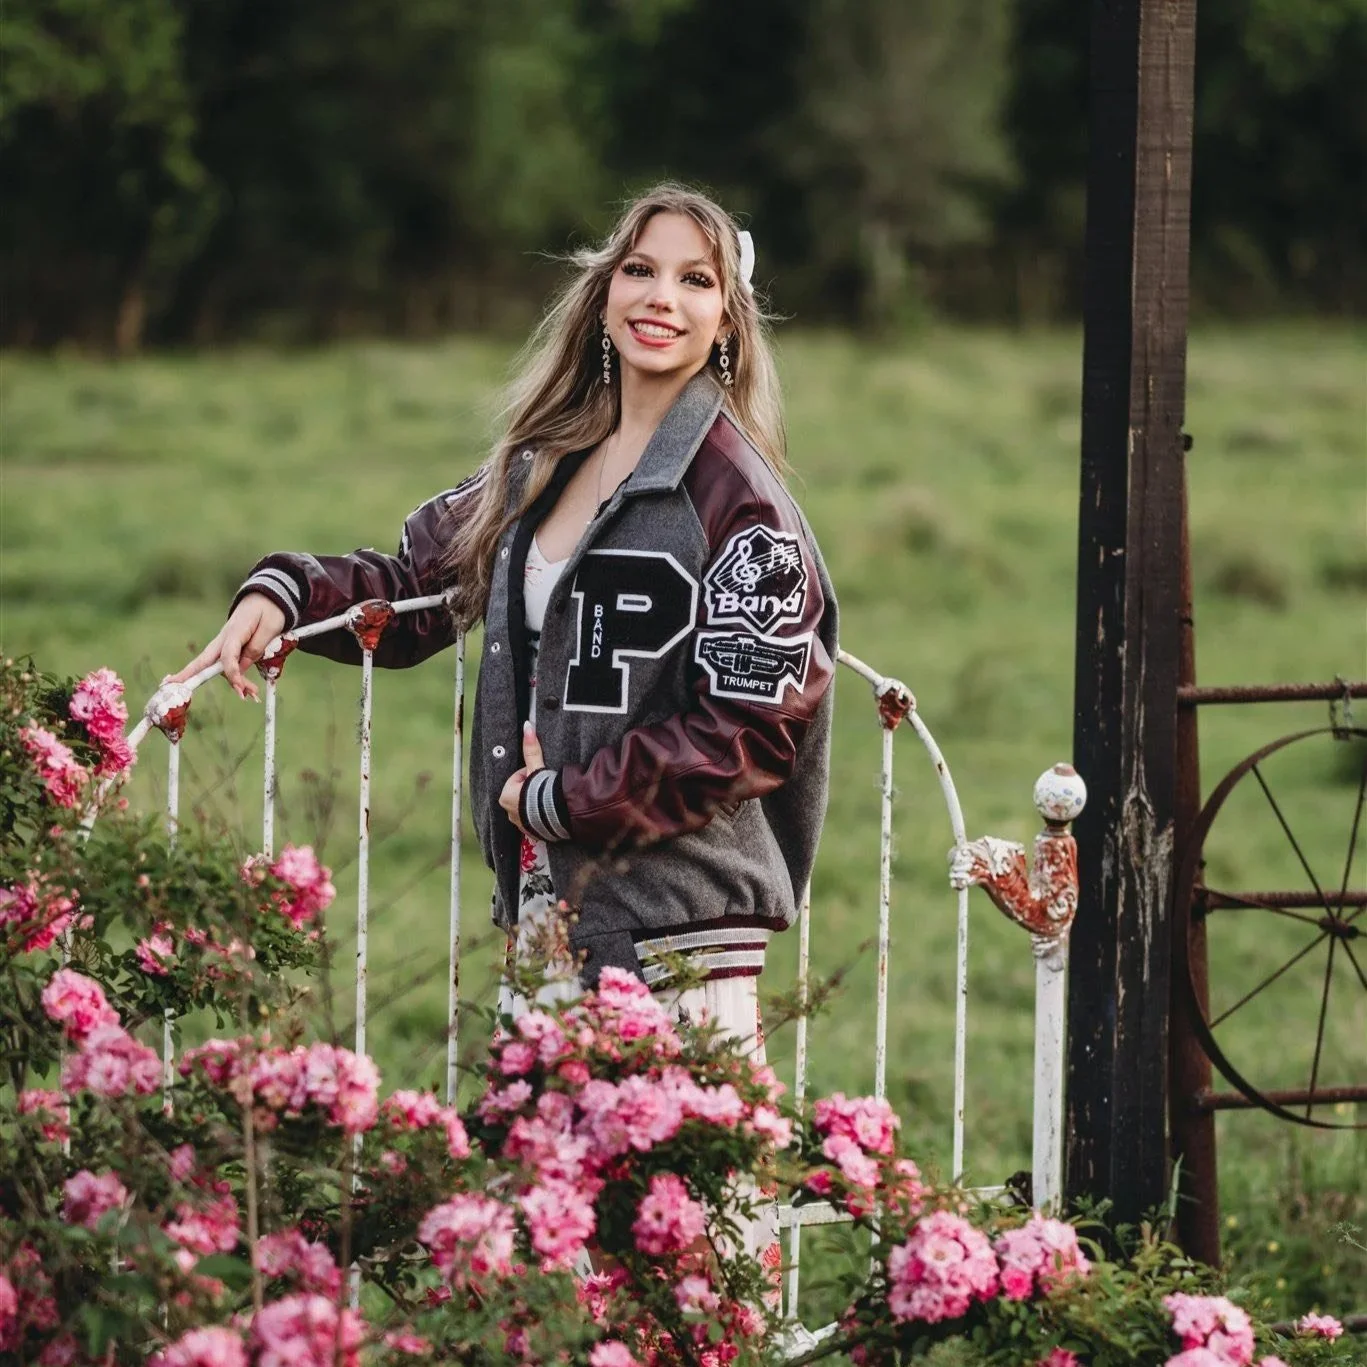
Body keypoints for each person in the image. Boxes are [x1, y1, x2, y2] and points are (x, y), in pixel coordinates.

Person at [171, 183, 837, 1038]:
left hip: (681, 927)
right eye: (639, 269)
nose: (660, 297)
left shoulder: (743, 504)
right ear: (603, 296)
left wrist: (568, 798)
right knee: (539, 1169)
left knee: (674, 1175)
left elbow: (749, 729)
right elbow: (418, 586)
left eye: (695, 279)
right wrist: (287, 592)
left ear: (729, 322)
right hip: (545, 903)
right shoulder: (541, 460)